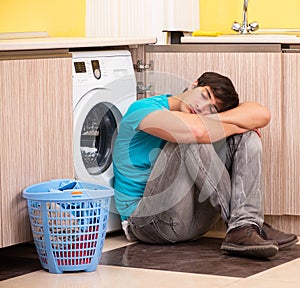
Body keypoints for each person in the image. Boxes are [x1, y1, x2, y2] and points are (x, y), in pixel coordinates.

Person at [112, 71, 298, 258]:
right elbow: (196, 131)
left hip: (193, 221)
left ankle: (246, 224)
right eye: (205, 95)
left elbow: (262, 114)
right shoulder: (141, 109)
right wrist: (236, 124)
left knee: (246, 137)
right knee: (189, 139)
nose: (201, 108)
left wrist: (226, 124)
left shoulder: (202, 116)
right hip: (148, 223)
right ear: (193, 85)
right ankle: (245, 224)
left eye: (212, 108)